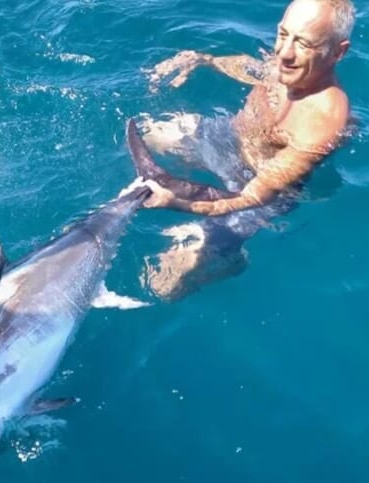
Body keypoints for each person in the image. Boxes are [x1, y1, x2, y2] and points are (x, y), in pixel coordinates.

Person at [137, 0, 355, 300]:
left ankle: (231, 258)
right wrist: (205, 60)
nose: (284, 53)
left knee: (164, 284)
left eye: (303, 43)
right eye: (283, 34)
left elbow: (251, 198)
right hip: (229, 138)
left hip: (256, 187)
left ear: (338, 52)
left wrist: (178, 202)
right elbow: (255, 70)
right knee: (149, 132)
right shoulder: (290, 63)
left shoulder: (321, 121)